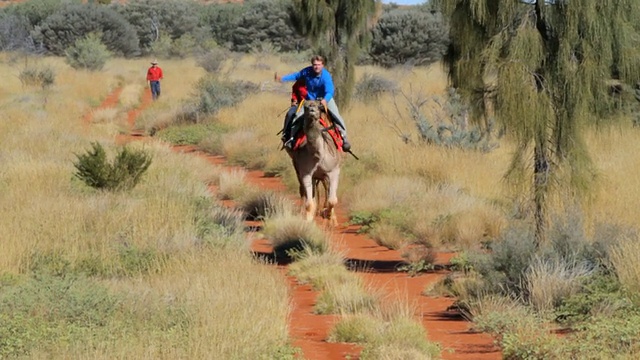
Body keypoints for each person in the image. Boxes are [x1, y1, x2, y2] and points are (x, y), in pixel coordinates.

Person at [275, 55, 351, 152]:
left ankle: (344, 138)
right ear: (312, 65)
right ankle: (291, 139)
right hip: (309, 100)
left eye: (319, 65)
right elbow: (296, 76)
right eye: (314, 65)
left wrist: (325, 100)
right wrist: (282, 79)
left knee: (336, 116)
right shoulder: (306, 72)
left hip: (325, 99)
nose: (316, 67)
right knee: (297, 117)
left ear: (322, 65)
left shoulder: (326, 76)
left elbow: (330, 91)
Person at [281, 78, 307, 145]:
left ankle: (337, 129)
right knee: (290, 113)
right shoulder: (300, 81)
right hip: (300, 104)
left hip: (314, 104)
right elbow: (294, 91)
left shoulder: (316, 80)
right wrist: (294, 100)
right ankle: (286, 134)